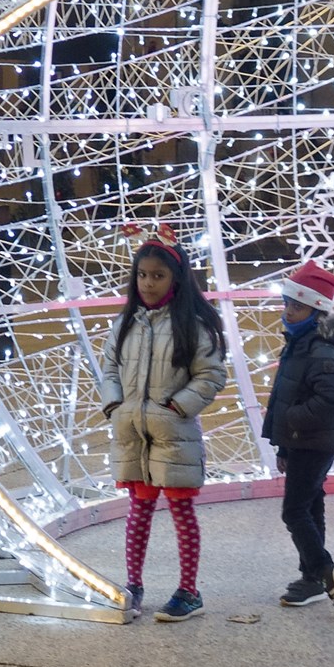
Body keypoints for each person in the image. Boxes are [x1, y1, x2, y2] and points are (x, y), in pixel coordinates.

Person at [93, 235, 229, 622]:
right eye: (142, 275)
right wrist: (114, 405)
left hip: (173, 435)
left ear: (177, 280)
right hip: (133, 434)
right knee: (139, 511)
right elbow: (109, 369)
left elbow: (211, 375)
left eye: (158, 275)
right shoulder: (124, 325)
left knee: (181, 512)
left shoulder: (194, 326)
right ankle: (133, 585)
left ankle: (189, 591)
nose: (148, 283)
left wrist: (176, 406)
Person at [262, 260, 334, 618]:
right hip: (302, 441)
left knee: (294, 511)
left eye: (297, 305)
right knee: (311, 504)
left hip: (314, 441)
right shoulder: (302, 342)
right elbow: (290, 392)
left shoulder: (321, 349)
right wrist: (285, 444)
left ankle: (323, 571)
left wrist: (291, 421)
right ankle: (311, 577)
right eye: (287, 303)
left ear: (316, 309)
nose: (289, 311)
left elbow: (330, 400)